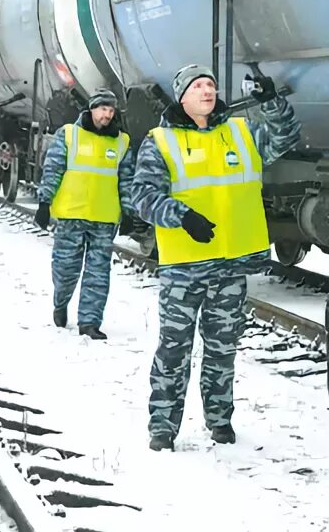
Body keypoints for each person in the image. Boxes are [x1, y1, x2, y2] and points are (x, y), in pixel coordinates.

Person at [129, 64, 301, 451]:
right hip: (184, 266)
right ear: (182, 96)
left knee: (223, 349)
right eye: (197, 86)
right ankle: (163, 427)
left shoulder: (240, 132)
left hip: (231, 265)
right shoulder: (161, 141)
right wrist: (182, 216)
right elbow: (141, 197)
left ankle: (220, 421)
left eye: (210, 84)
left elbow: (286, 137)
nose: (207, 91)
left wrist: (270, 102)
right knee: (174, 349)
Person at [35, 89, 136, 340]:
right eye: (103, 109)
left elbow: (126, 180)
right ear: (92, 109)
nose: (107, 115)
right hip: (72, 215)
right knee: (65, 269)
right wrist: (44, 203)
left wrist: (129, 212)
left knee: (98, 273)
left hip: (105, 218)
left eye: (111, 111)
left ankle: (89, 322)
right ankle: (61, 303)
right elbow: (53, 169)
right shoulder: (69, 135)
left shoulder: (122, 142)